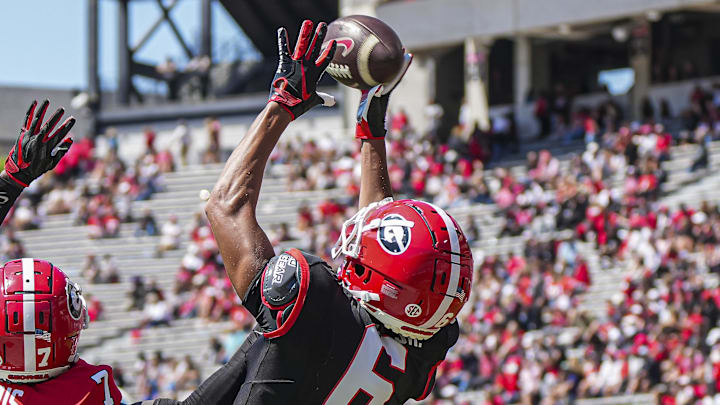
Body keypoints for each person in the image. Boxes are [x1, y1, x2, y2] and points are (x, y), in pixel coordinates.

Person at [205, 20, 473, 404]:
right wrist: (371, 131)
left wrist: (283, 102)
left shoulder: (314, 302)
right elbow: (374, 312)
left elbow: (225, 206)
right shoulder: (424, 347)